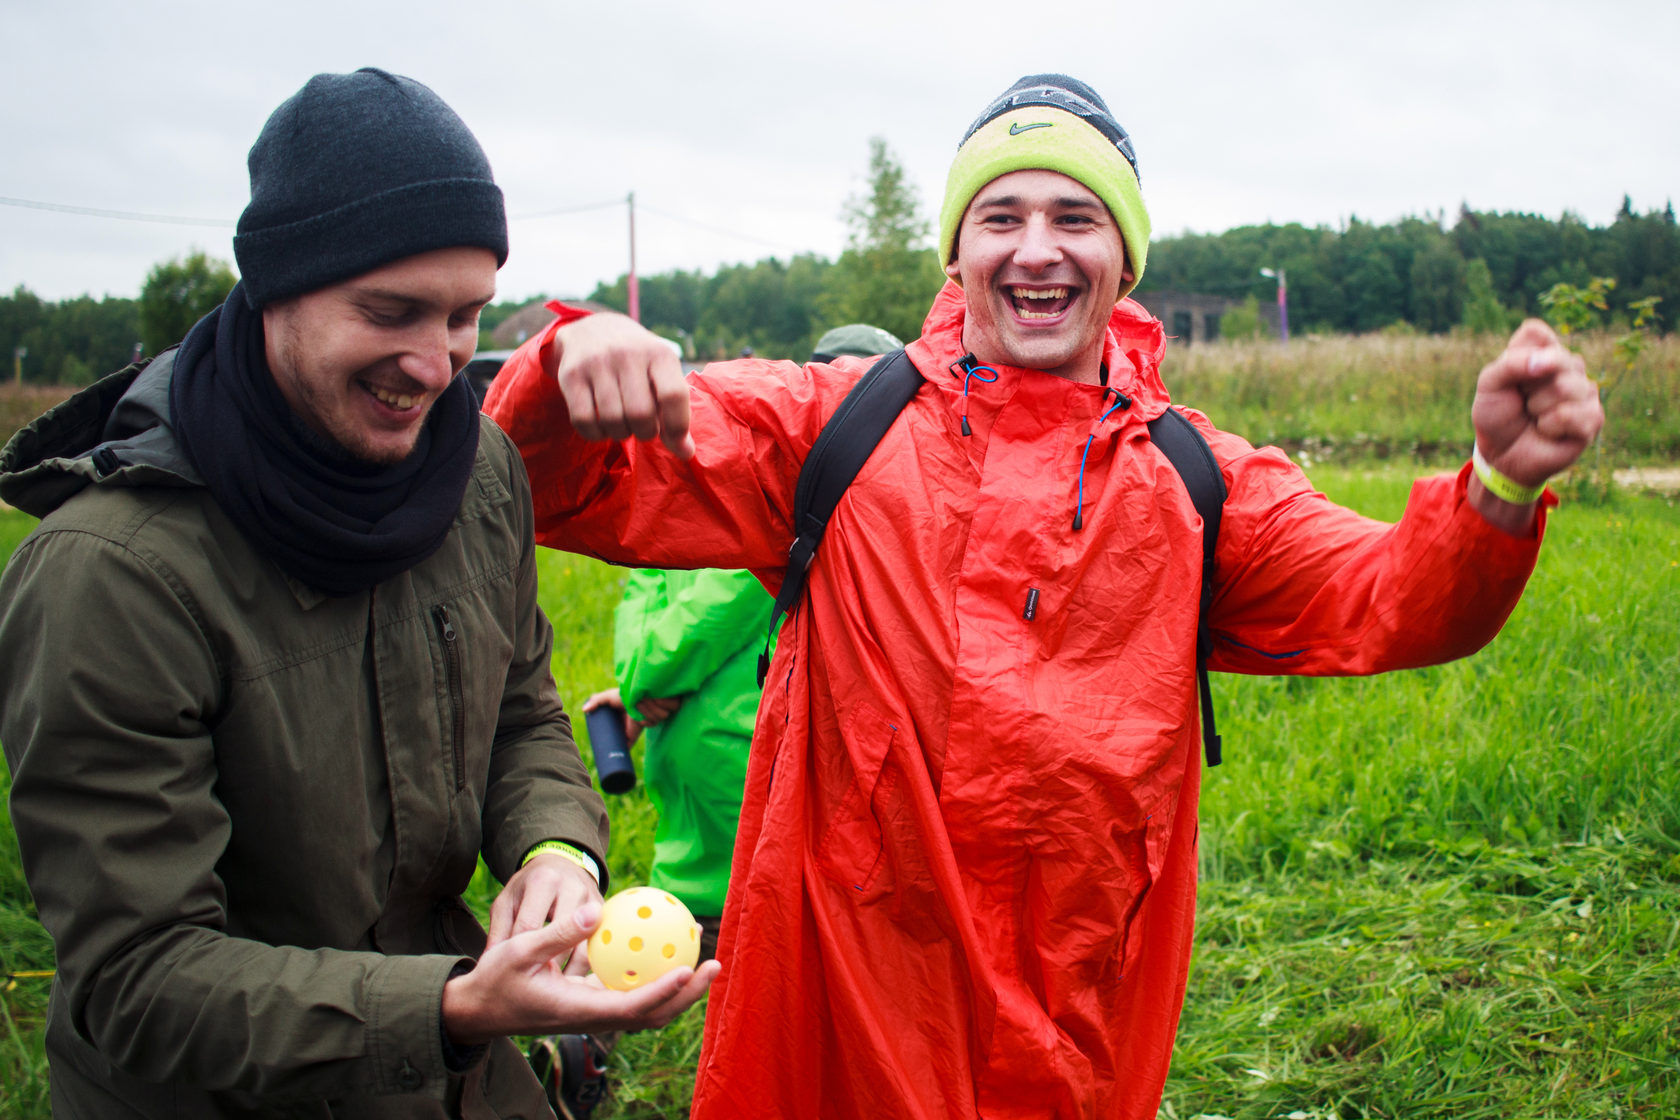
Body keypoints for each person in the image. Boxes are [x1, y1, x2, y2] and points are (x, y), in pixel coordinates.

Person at [483, 74, 1603, 1120]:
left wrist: (1496, 487)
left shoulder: (1201, 485)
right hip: (840, 1001)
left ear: (1124, 257)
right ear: (958, 249)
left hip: (1078, 1020)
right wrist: (571, 366)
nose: (1036, 250)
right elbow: (557, 484)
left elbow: (1388, 596)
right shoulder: (830, 425)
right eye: (1000, 216)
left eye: (1076, 217)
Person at [0, 68, 715, 1120]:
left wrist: (556, 847)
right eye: (391, 312)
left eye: (467, 317)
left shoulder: (474, 472)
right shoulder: (111, 572)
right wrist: (453, 1006)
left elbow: (524, 709)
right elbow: (136, 977)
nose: (435, 366)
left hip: (458, 1078)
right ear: (279, 285)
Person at [579, 323, 907, 962]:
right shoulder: (792, 493)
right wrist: (644, 684)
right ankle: (592, 1015)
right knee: (732, 926)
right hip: (725, 742)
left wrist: (641, 685)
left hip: (708, 738)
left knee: (703, 910)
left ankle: (588, 1019)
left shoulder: (802, 501)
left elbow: (668, 599)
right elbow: (684, 593)